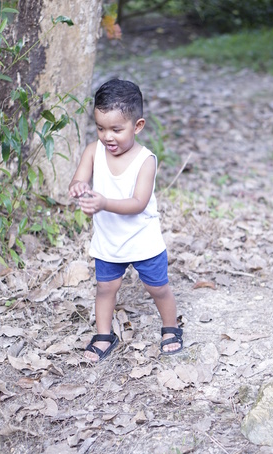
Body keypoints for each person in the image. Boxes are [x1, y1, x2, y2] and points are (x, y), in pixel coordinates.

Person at [69, 78, 183, 362]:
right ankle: (104, 334)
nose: (107, 136)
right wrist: (79, 188)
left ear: (138, 126)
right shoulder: (94, 151)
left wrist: (103, 202)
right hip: (109, 240)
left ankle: (171, 327)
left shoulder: (146, 160)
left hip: (143, 240)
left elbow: (138, 203)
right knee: (106, 288)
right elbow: (80, 178)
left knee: (157, 287)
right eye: (100, 128)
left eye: (116, 129)